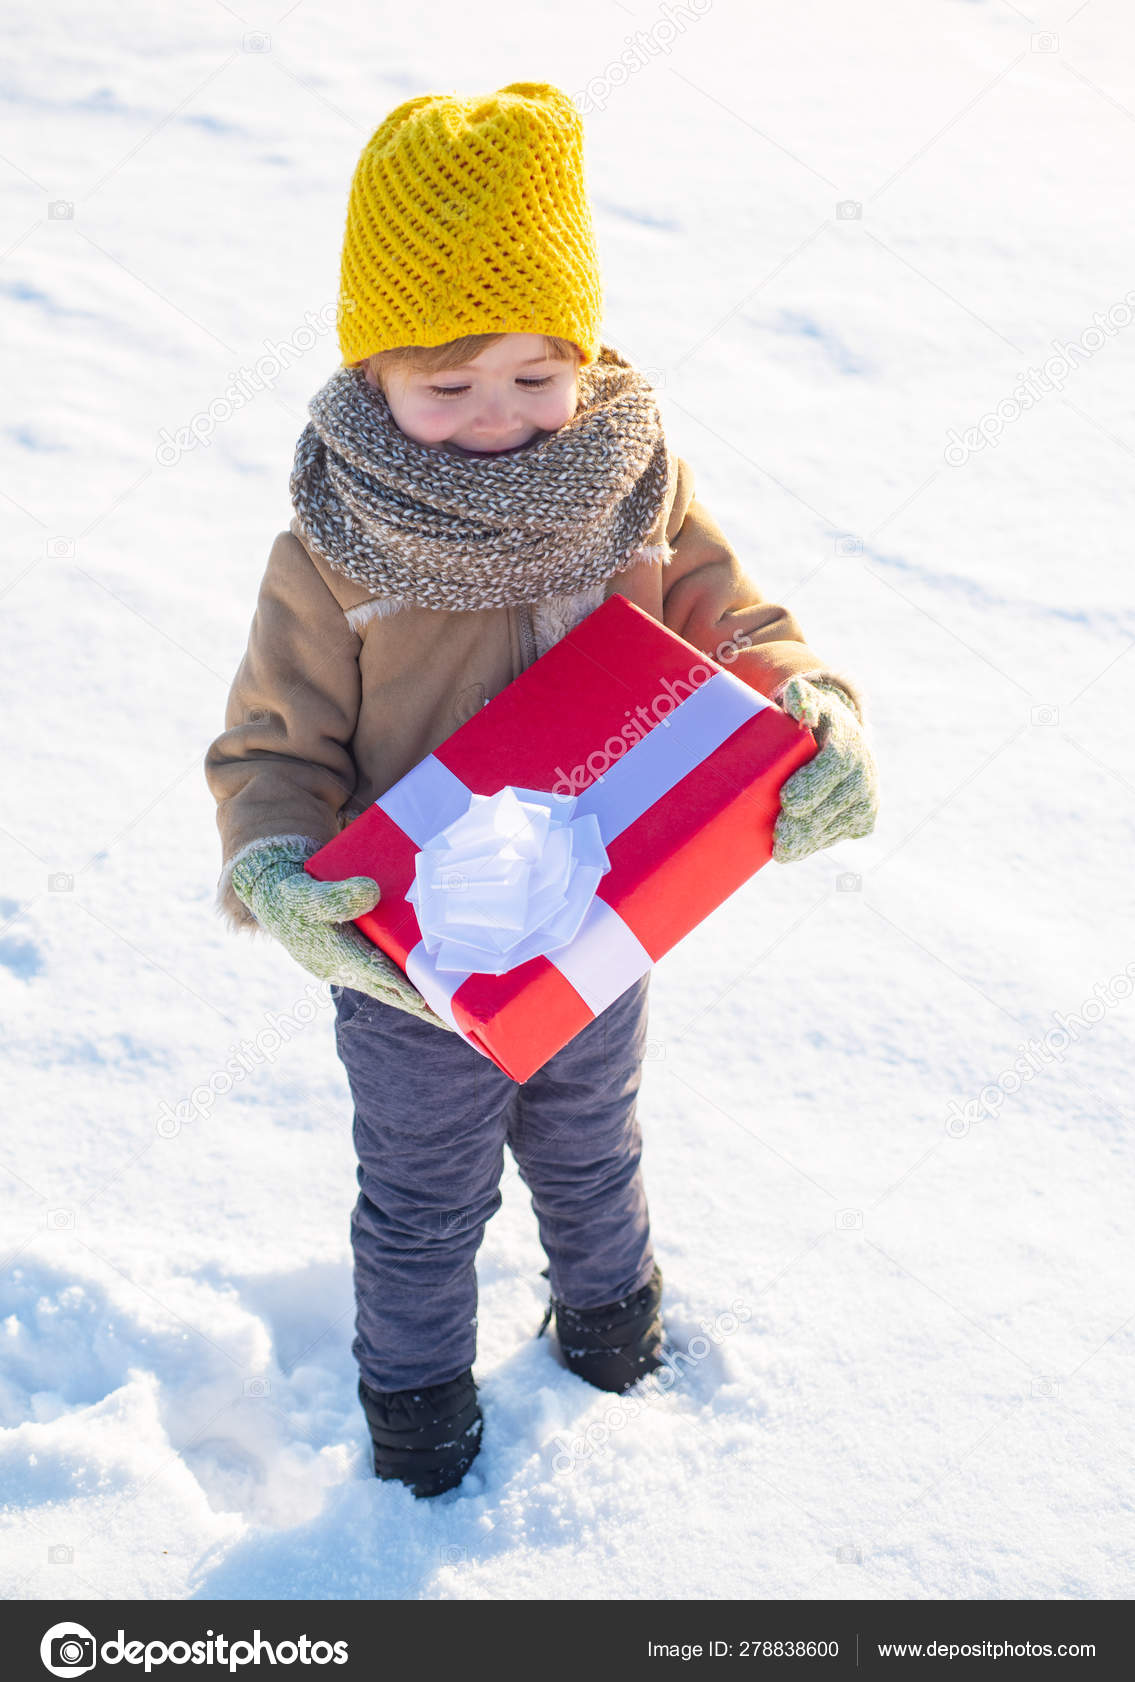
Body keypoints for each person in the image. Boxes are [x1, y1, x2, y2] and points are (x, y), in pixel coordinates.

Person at [203, 82, 879, 1498]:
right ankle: (418, 1416)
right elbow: (274, 747)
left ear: (582, 350)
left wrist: (810, 706)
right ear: (375, 373)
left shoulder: (636, 487)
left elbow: (738, 631)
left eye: (532, 374)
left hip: (600, 917)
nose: (498, 418)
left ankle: (612, 1325)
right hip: (416, 965)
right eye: (446, 386)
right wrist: (278, 868)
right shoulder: (338, 546)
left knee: (590, 1141)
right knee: (423, 1197)